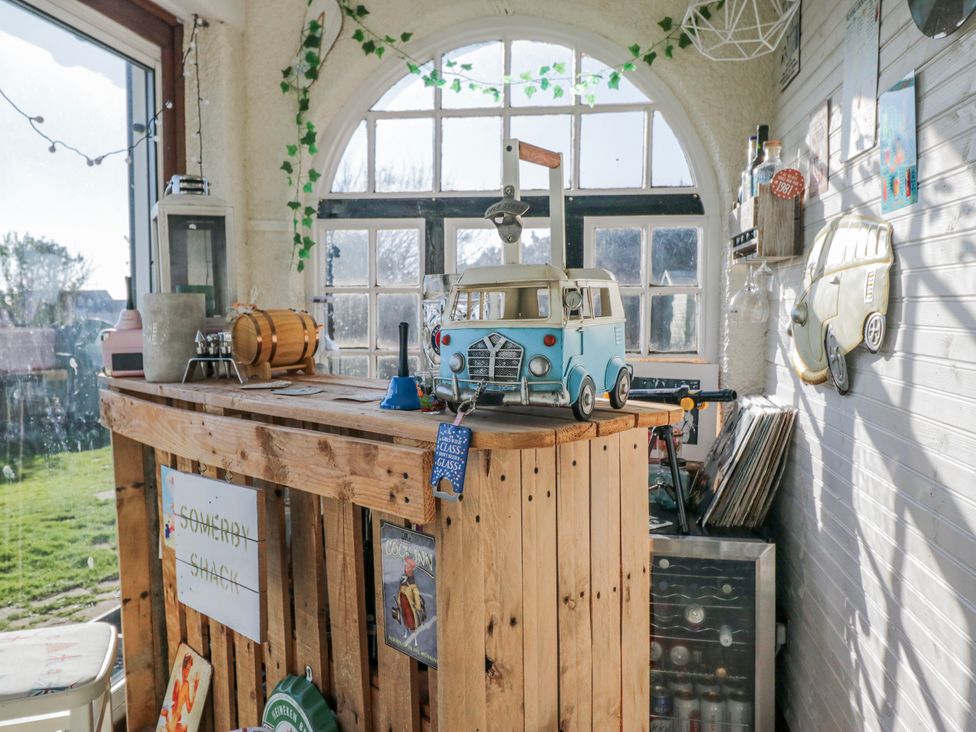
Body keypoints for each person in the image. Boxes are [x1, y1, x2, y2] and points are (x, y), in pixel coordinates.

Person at [159, 651, 200, 732]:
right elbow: (169, 702)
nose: (187, 672)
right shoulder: (181, 683)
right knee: (185, 727)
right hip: (172, 722)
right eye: (186, 669)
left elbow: (188, 709)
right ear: (182, 667)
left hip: (171, 721)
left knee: (184, 727)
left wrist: (195, 690)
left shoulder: (182, 682)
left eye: (189, 669)